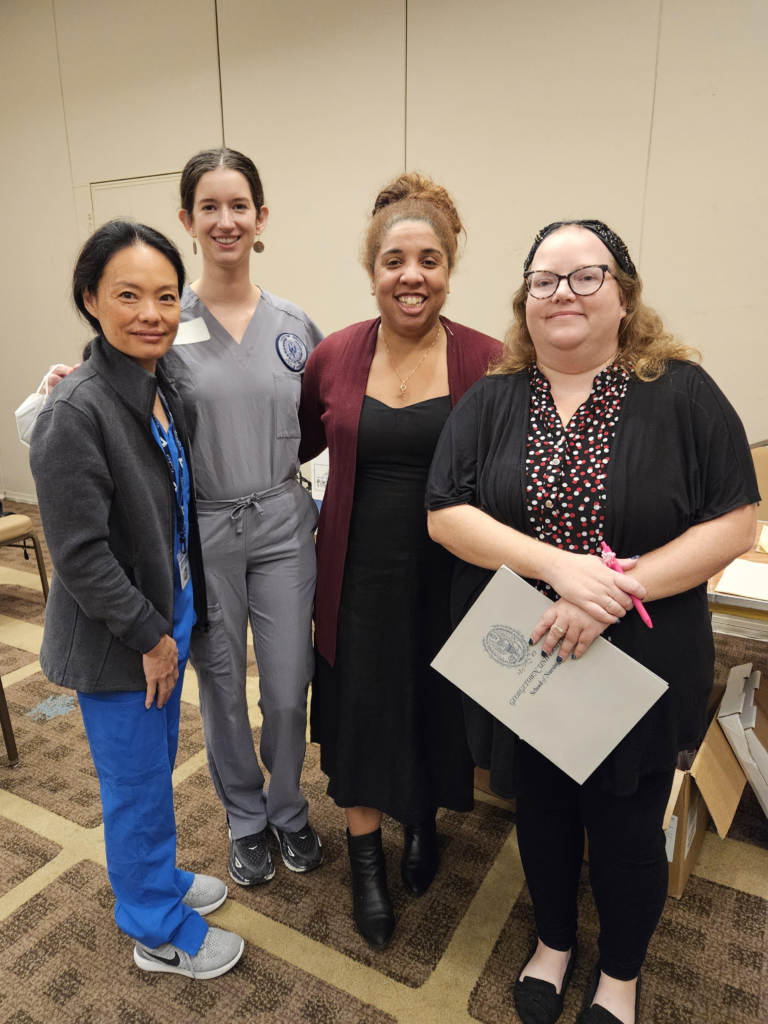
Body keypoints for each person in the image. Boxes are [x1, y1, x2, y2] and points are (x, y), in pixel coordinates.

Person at [425, 220, 758, 1024]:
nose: (562, 294)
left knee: (626, 826)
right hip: (528, 658)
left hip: (640, 654)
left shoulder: (679, 390)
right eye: (545, 280)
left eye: (585, 277)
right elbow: (446, 513)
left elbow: (735, 522)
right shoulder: (496, 398)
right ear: (525, 300)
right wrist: (558, 568)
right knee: (540, 812)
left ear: (624, 295)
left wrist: (613, 588)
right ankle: (552, 942)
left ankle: (621, 971)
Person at [42, 148, 324, 888]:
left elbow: (322, 420)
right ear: (187, 219)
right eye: (210, 207)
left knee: (290, 685)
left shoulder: (296, 323)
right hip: (201, 532)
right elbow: (116, 388)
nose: (226, 220)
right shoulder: (166, 317)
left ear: (262, 218)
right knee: (221, 683)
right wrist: (63, 378)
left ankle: (290, 806)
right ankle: (247, 819)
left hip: (284, 521)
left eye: (240, 206)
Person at [30, 220, 244, 979]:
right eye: (128, 295)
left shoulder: (161, 384)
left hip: (167, 608)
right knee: (135, 784)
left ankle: (161, 879)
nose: (150, 312)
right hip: (120, 632)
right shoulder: (76, 414)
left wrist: (175, 620)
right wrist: (152, 636)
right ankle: (155, 927)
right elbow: (82, 557)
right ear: (91, 299)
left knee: (156, 763)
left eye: (163, 295)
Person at [299, 174, 502, 949]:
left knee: (432, 707)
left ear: (449, 269)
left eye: (429, 260)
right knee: (363, 714)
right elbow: (288, 443)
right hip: (355, 577)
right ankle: (366, 866)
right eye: (394, 261)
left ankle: (422, 826)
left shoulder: (488, 360)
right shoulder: (334, 356)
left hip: (450, 580)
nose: (411, 276)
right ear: (371, 269)